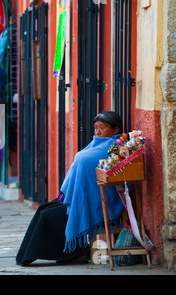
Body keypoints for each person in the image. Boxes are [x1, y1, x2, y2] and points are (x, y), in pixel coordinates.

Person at [16, 111, 125, 266]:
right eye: (96, 127)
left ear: (115, 130)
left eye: (103, 127)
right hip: (80, 198)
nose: (98, 132)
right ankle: (25, 256)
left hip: (97, 203)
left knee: (50, 217)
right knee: (43, 209)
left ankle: (73, 254)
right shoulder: (96, 144)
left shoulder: (111, 148)